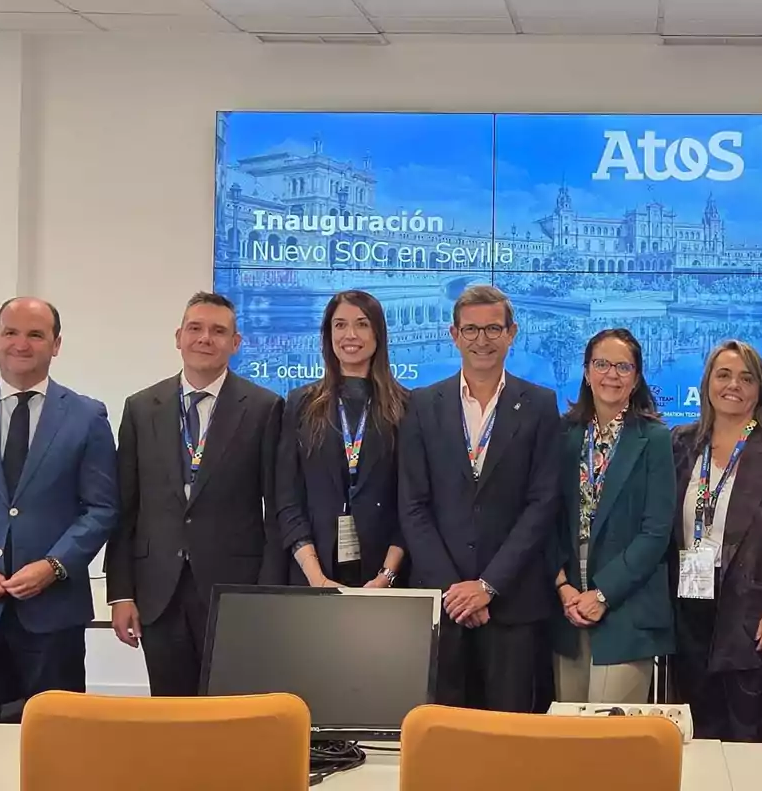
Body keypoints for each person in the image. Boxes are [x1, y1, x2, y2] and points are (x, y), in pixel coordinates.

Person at [0, 297, 119, 722]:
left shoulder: (87, 416)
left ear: (56, 344)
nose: (21, 343)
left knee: (57, 745)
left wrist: (54, 565)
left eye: (35, 334)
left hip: (52, 615)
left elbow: (101, 508)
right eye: (10, 332)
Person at [105, 291, 285, 696]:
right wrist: (121, 593)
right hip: (157, 592)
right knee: (170, 715)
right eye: (196, 328)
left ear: (235, 343)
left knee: (232, 715)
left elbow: (275, 512)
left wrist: (265, 595)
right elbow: (125, 510)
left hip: (234, 591)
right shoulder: (140, 407)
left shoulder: (263, 407)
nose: (206, 338)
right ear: (178, 336)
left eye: (218, 331)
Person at [399, 285, 560, 712]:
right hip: (442, 604)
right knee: (443, 744)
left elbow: (542, 505)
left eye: (493, 329)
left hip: (512, 605)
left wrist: (488, 586)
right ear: (453, 334)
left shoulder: (541, 404)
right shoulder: (422, 403)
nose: (481, 340)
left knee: (512, 746)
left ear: (512, 333)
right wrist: (456, 591)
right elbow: (413, 505)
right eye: (470, 330)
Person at [669, 340, 762, 742]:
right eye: (724, 375)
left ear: (760, 390)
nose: (733, 385)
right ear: (707, 384)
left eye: (745, 378)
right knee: (696, 739)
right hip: (690, 615)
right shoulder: (680, 444)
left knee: (753, 743)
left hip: (756, 619)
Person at [550, 329, 675, 704]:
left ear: (636, 378)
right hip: (567, 607)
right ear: (587, 372)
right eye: (601, 364)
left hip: (627, 606)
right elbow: (545, 517)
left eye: (623, 366)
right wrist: (563, 588)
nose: (611, 374)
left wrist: (603, 594)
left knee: (608, 742)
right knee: (566, 737)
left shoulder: (654, 438)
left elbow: (656, 532)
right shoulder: (563, 434)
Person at [277, 290, 409, 589]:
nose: (350, 334)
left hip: (385, 574)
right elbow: (287, 499)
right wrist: (316, 578)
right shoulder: (300, 404)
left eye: (362, 324)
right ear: (328, 334)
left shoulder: (406, 407)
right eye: (340, 325)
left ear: (378, 333)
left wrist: (386, 576)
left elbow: (413, 503)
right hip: (313, 571)